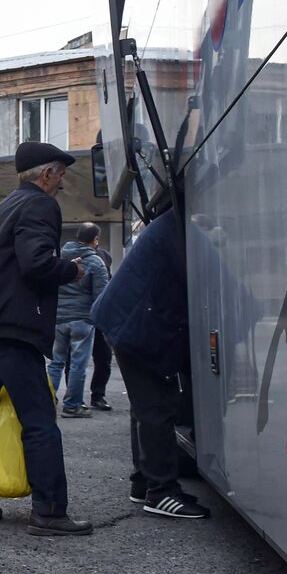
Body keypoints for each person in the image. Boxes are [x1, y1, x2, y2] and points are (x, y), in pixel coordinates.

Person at [0, 142, 92, 536]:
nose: (62, 184)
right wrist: (72, 270)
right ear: (47, 174)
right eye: (61, 175)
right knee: (38, 418)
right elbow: (36, 263)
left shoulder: (3, 207)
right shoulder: (40, 205)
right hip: (10, 327)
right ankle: (49, 510)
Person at [90, 207, 208, 519]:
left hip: (125, 322)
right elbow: (208, 277)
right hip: (134, 327)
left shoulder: (171, 223)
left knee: (144, 408)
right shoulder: (181, 230)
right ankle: (161, 492)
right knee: (156, 407)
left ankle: (143, 482)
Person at [48, 223, 109, 418]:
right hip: (82, 320)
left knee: (55, 362)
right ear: (95, 240)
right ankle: (72, 405)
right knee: (78, 365)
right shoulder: (96, 262)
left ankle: (46, 402)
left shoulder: (58, 257)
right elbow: (101, 296)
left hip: (58, 318)